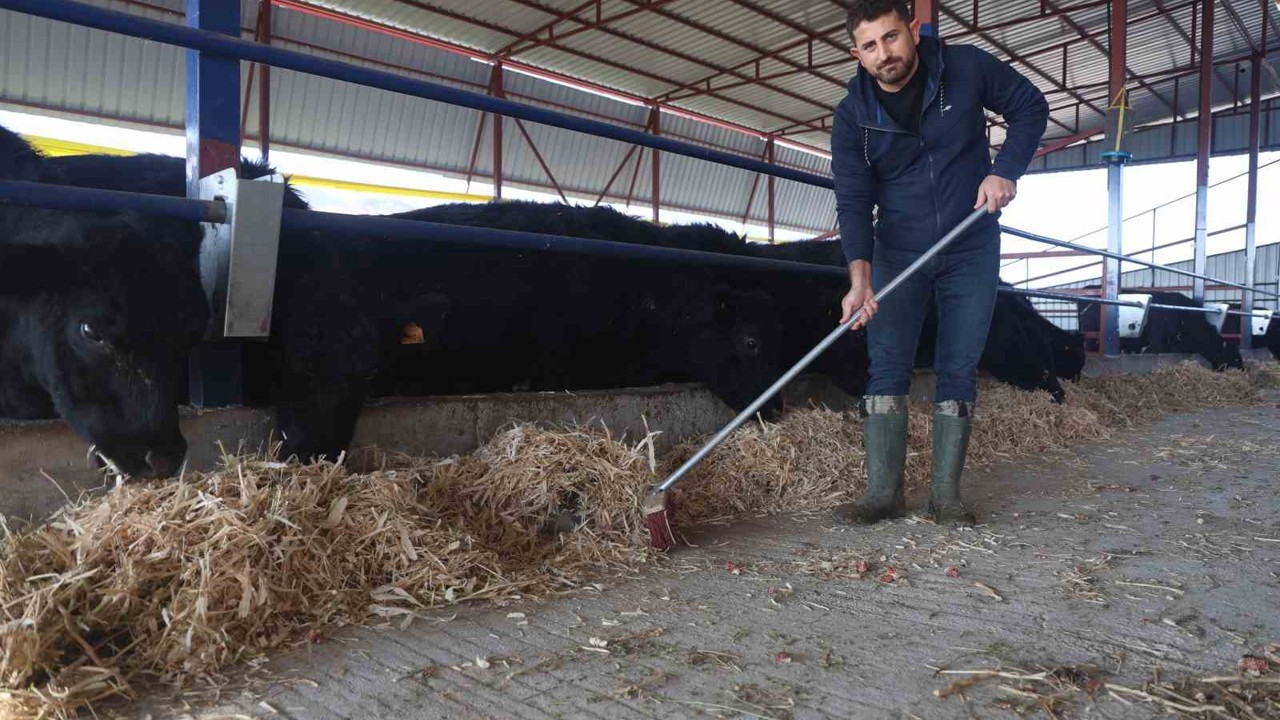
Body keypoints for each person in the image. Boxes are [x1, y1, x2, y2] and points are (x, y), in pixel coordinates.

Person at [830, 0, 1049, 526]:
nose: (884, 53)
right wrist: (860, 281)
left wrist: (1006, 170)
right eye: (870, 46)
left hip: (970, 244)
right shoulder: (853, 117)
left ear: (913, 29)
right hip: (899, 250)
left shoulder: (965, 68)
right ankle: (884, 494)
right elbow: (854, 201)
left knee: (959, 364)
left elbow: (1030, 105)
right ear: (857, 54)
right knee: (887, 364)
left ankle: (945, 497)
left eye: (891, 37)